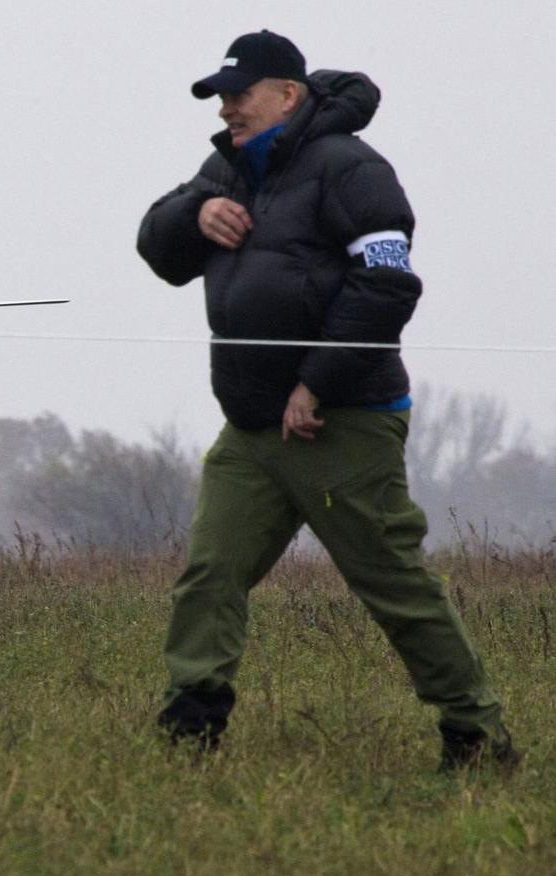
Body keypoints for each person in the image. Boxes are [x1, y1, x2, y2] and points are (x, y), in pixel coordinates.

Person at [136, 30, 518, 770]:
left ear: (287, 93)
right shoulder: (224, 168)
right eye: (220, 98)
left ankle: (476, 736)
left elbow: (388, 283)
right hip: (250, 426)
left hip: (341, 423)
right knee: (209, 576)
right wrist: (193, 218)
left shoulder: (350, 167)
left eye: (238, 95)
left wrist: (317, 384)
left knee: (391, 586)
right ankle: (189, 731)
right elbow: (157, 250)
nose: (226, 110)